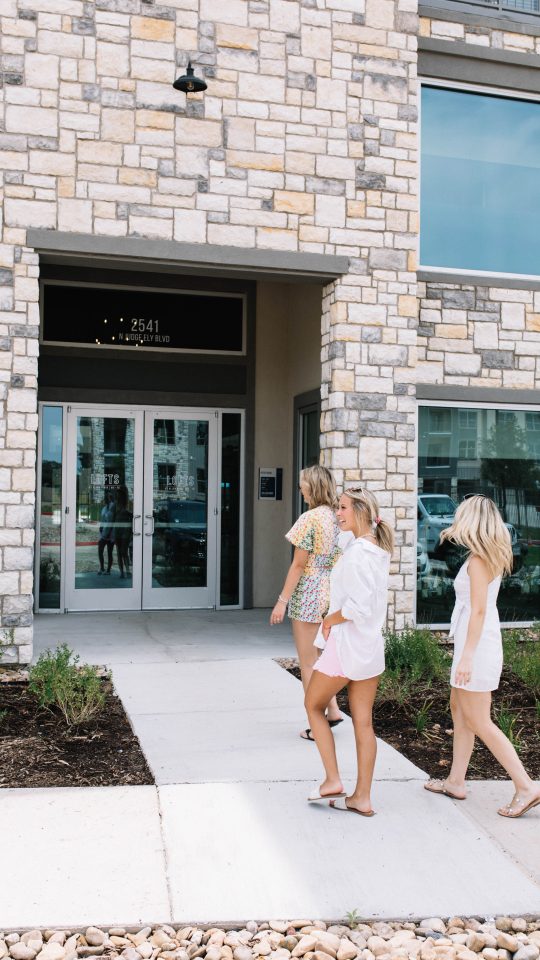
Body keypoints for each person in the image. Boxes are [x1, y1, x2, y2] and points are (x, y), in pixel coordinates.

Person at [425, 495, 540, 819]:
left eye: (460, 516)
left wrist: (466, 658)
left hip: (477, 646)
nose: (455, 520)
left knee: (478, 719)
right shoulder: (480, 556)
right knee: (460, 711)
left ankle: (526, 785)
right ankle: (456, 781)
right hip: (473, 642)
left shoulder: (478, 561)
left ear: (472, 521)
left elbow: (477, 611)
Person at [304, 487, 394, 816]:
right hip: (369, 647)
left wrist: (330, 618)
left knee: (313, 705)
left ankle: (332, 780)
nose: (337, 514)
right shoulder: (374, 548)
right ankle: (362, 797)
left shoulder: (358, 554)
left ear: (358, 511)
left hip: (347, 645)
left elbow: (356, 606)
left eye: (342, 508)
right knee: (364, 724)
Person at [270, 465, 343, 739]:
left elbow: (298, 565)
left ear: (312, 486)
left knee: (308, 662)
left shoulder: (309, 518)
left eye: (302, 483)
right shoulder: (337, 518)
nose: (300, 487)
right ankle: (333, 710)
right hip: (329, 589)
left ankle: (317, 723)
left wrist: (281, 601)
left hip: (309, 590)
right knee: (321, 658)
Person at [115, 485, 133, 580]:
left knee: (124, 552)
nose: (118, 496)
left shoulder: (129, 504)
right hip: (117, 530)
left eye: (119, 493)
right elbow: (114, 518)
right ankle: (122, 572)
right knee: (119, 553)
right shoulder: (116, 505)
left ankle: (127, 571)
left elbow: (133, 515)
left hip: (126, 530)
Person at [97, 494, 115, 576]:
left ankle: (108, 570)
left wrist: (109, 533)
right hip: (103, 532)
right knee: (100, 550)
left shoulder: (113, 507)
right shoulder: (104, 508)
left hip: (110, 533)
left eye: (107, 498)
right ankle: (102, 567)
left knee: (109, 552)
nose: (105, 500)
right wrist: (100, 527)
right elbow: (103, 519)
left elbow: (112, 521)